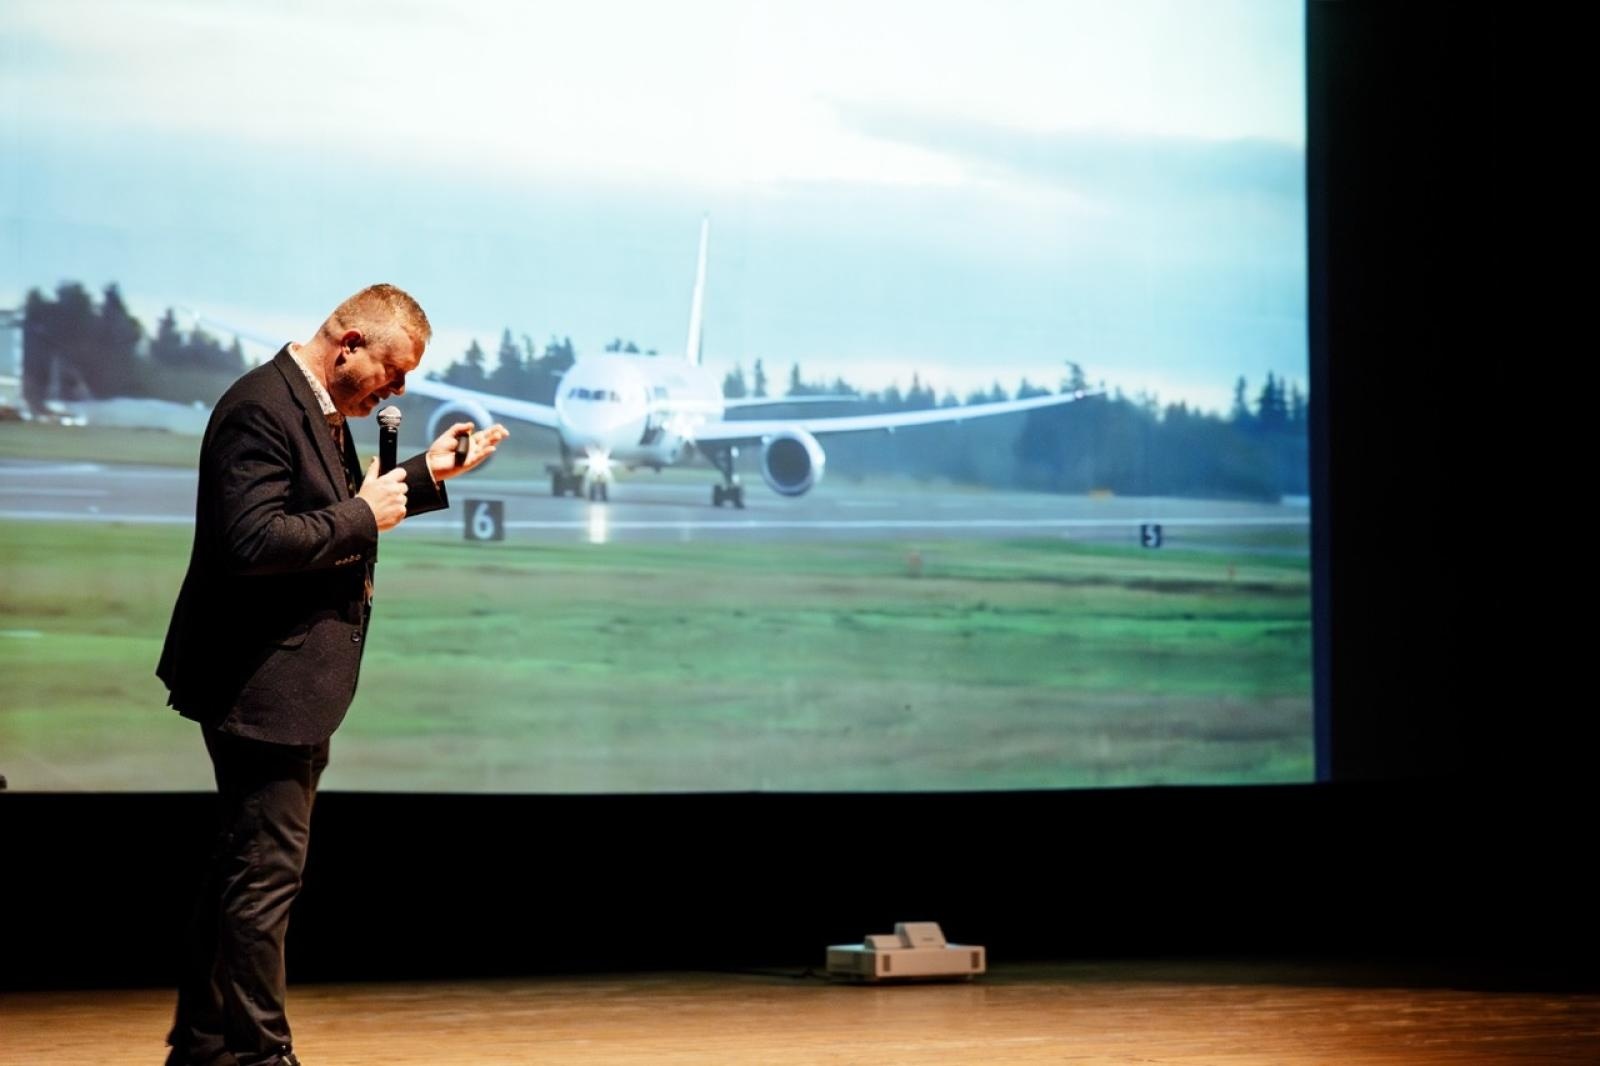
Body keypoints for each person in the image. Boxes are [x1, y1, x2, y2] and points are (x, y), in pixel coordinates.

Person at [156, 284, 508, 1066]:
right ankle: (258, 1055)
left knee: (239, 871)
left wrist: (426, 475)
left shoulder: (314, 406)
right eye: (394, 370)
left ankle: (206, 1042)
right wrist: (366, 515)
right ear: (348, 342)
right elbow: (252, 542)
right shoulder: (261, 407)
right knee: (264, 882)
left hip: (290, 682)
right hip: (260, 683)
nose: (399, 390)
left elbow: (337, 507)